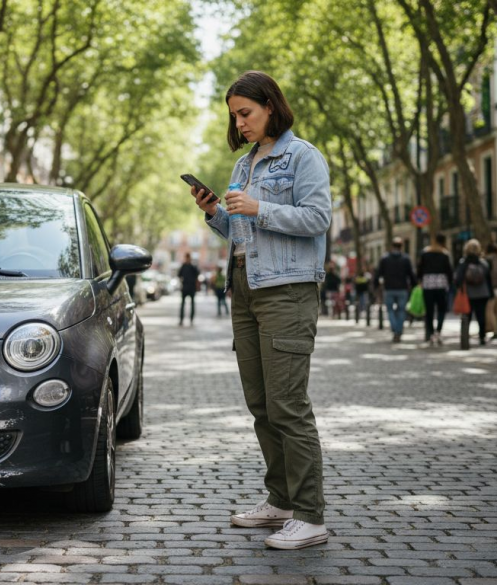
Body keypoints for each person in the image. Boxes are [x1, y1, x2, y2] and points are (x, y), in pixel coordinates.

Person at [190, 70, 331, 550]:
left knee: (289, 407)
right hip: (247, 289)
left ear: (270, 106)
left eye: (245, 113)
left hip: (288, 292)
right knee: (261, 405)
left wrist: (258, 208)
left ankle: (311, 516)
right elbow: (241, 233)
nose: (240, 122)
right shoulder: (243, 165)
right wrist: (216, 213)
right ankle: (281, 501)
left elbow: (317, 218)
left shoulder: (302, 156)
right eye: (234, 115)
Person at [372, 237, 416, 343]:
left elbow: (378, 274)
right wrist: (414, 285)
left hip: (389, 289)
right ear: (401, 247)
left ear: (392, 246)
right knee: (401, 310)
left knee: (390, 310)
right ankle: (398, 330)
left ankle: (395, 328)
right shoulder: (406, 259)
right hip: (402, 289)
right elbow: (411, 274)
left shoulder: (385, 259)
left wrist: (375, 285)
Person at [454, 238, 493, 345]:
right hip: (483, 293)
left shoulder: (463, 262)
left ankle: (465, 337)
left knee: (467, 316)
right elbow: (489, 279)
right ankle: (482, 337)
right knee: (481, 316)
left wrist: (458, 289)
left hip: (468, 294)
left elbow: (458, 279)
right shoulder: (484, 263)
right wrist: (491, 293)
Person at [417, 234, 454, 347]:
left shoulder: (425, 253)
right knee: (441, 309)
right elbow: (449, 271)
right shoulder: (445, 254)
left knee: (429, 311)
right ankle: (438, 331)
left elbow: (420, 268)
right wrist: (451, 283)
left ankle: (431, 333)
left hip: (428, 284)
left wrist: (419, 281)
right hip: (441, 284)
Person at [177, 253, 199, 325]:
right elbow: (179, 275)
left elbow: (197, 273)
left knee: (192, 304)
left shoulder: (193, 266)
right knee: (183, 304)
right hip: (185, 288)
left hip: (192, 288)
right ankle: (181, 319)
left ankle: (191, 319)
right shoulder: (183, 266)